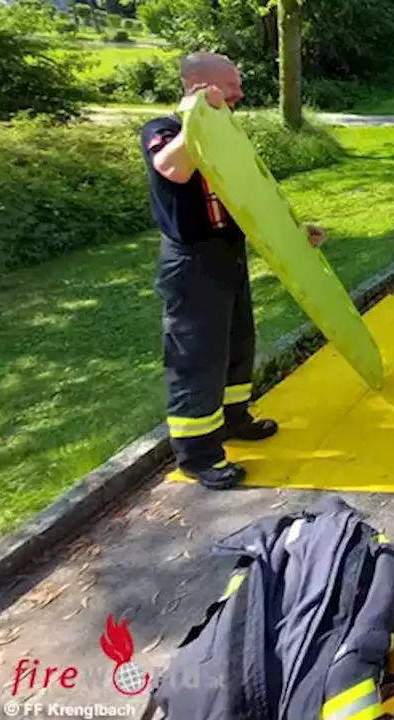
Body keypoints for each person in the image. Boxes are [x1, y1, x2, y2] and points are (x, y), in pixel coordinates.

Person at [140, 52, 326, 490]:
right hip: (191, 260)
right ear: (199, 85)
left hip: (229, 252)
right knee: (197, 358)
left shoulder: (227, 131)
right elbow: (173, 168)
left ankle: (234, 419)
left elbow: (253, 193)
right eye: (231, 85)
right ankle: (199, 456)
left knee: (237, 343)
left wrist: (295, 232)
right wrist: (198, 116)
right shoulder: (164, 130)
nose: (240, 93)